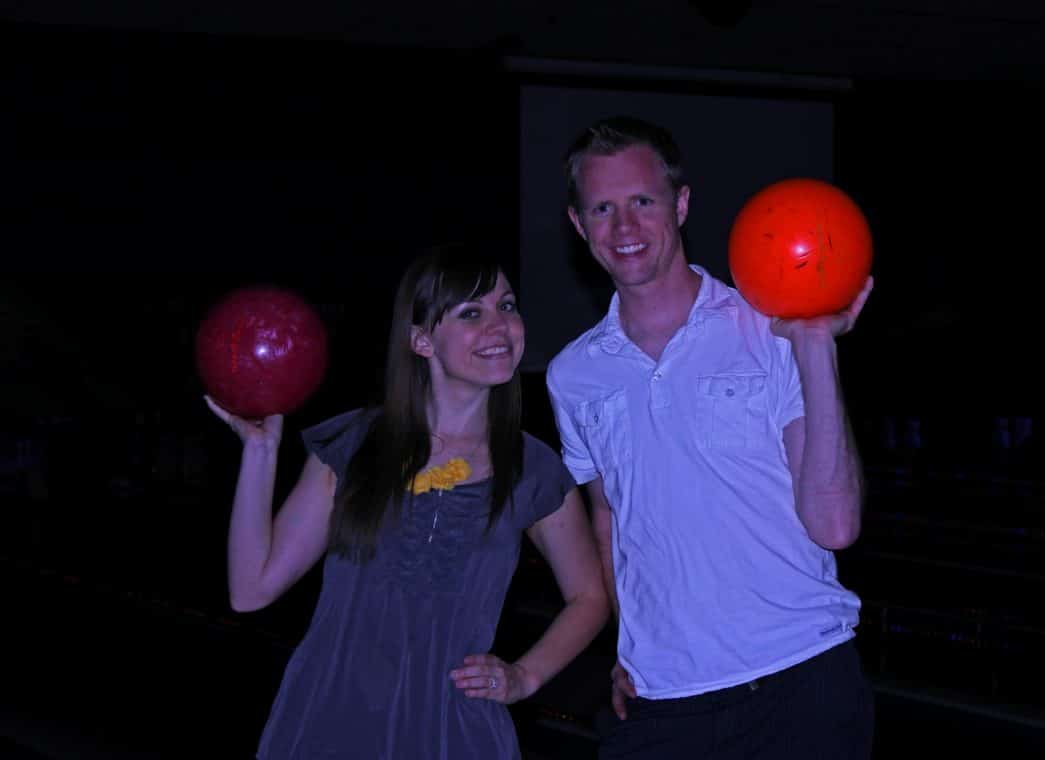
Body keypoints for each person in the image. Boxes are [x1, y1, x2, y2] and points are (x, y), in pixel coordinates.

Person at [545, 116, 875, 759]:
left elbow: (834, 526)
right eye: (603, 209)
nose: (625, 228)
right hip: (664, 699)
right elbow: (610, 525)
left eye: (643, 201)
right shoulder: (573, 376)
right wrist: (627, 643)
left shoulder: (768, 330)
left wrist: (813, 347)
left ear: (682, 204)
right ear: (580, 226)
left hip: (800, 678)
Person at [207, 244, 609, 759]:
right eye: (471, 312)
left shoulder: (530, 468)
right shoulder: (357, 445)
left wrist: (523, 676)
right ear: (421, 340)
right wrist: (259, 453)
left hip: (451, 728)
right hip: (334, 720)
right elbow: (250, 590)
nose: (499, 325)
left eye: (506, 306)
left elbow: (590, 597)